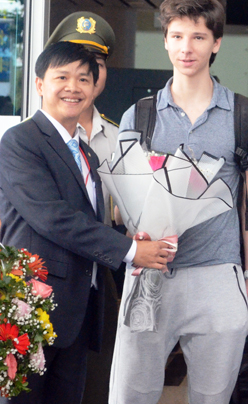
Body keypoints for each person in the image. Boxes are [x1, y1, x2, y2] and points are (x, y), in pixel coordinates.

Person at [108, 1, 248, 403]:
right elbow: (121, 201)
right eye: (177, 36)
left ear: (216, 43)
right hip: (150, 273)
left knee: (212, 398)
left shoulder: (244, 114)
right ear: (165, 41)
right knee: (130, 395)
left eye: (198, 37)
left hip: (218, 275)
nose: (187, 47)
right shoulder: (140, 116)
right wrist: (137, 229)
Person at [0, 42, 169, 404]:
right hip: (31, 307)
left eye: (83, 79)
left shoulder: (87, 152)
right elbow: (52, 216)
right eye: (61, 77)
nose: (72, 87)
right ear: (40, 84)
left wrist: (125, 236)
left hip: (78, 309)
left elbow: (89, 219)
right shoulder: (20, 141)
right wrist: (130, 250)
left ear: (95, 88)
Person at [45, 12, 124, 403]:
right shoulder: (31, 139)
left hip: (104, 278)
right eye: (72, 65)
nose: (82, 76)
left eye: (95, 65)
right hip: (48, 276)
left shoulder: (124, 138)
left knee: (96, 383)